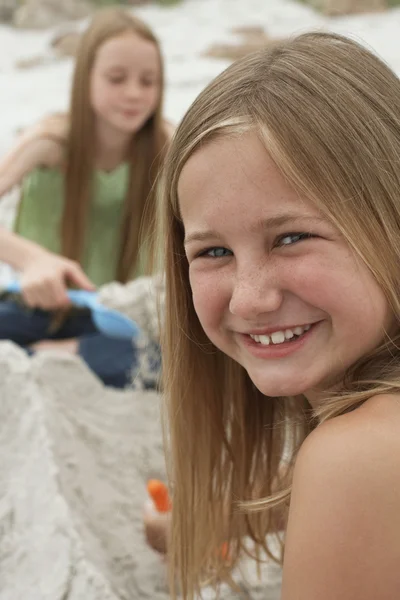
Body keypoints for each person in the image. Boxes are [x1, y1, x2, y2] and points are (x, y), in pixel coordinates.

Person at [152, 32, 400, 599]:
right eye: (213, 252)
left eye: (291, 237)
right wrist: (229, 519)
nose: (248, 299)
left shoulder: (356, 458)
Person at [0, 7, 173, 388]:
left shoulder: (167, 145)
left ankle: (60, 353)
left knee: (157, 364)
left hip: (123, 316)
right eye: (116, 78)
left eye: (148, 81)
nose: (133, 93)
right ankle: (62, 350)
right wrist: (33, 259)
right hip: (44, 307)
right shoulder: (51, 142)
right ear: (85, 79)